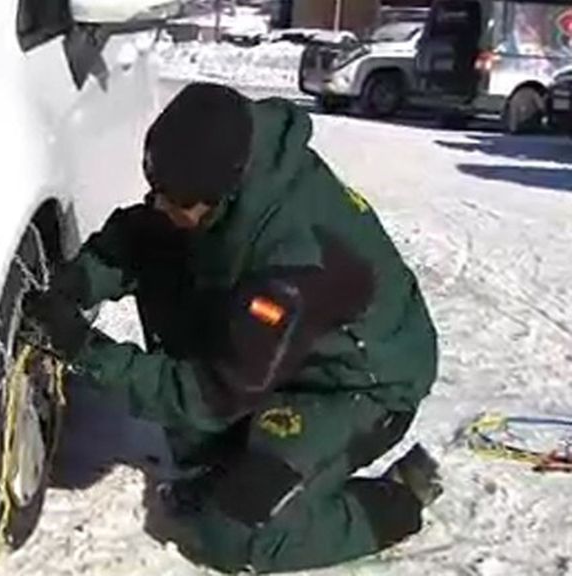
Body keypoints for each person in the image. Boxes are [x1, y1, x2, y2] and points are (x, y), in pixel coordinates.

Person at [27, 82, 442, 573]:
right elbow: (143, 233)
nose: (161, 206)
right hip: (277, 351)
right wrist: (75, 288)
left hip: (356, 388)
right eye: (157, 190)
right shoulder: (224, 172)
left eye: (177, 200)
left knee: (236, 533)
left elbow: (210, 395)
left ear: (224, 193)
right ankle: (232, 451)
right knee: (165, 248)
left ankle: (398, 501)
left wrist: (84, 347)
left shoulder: (294, 267)